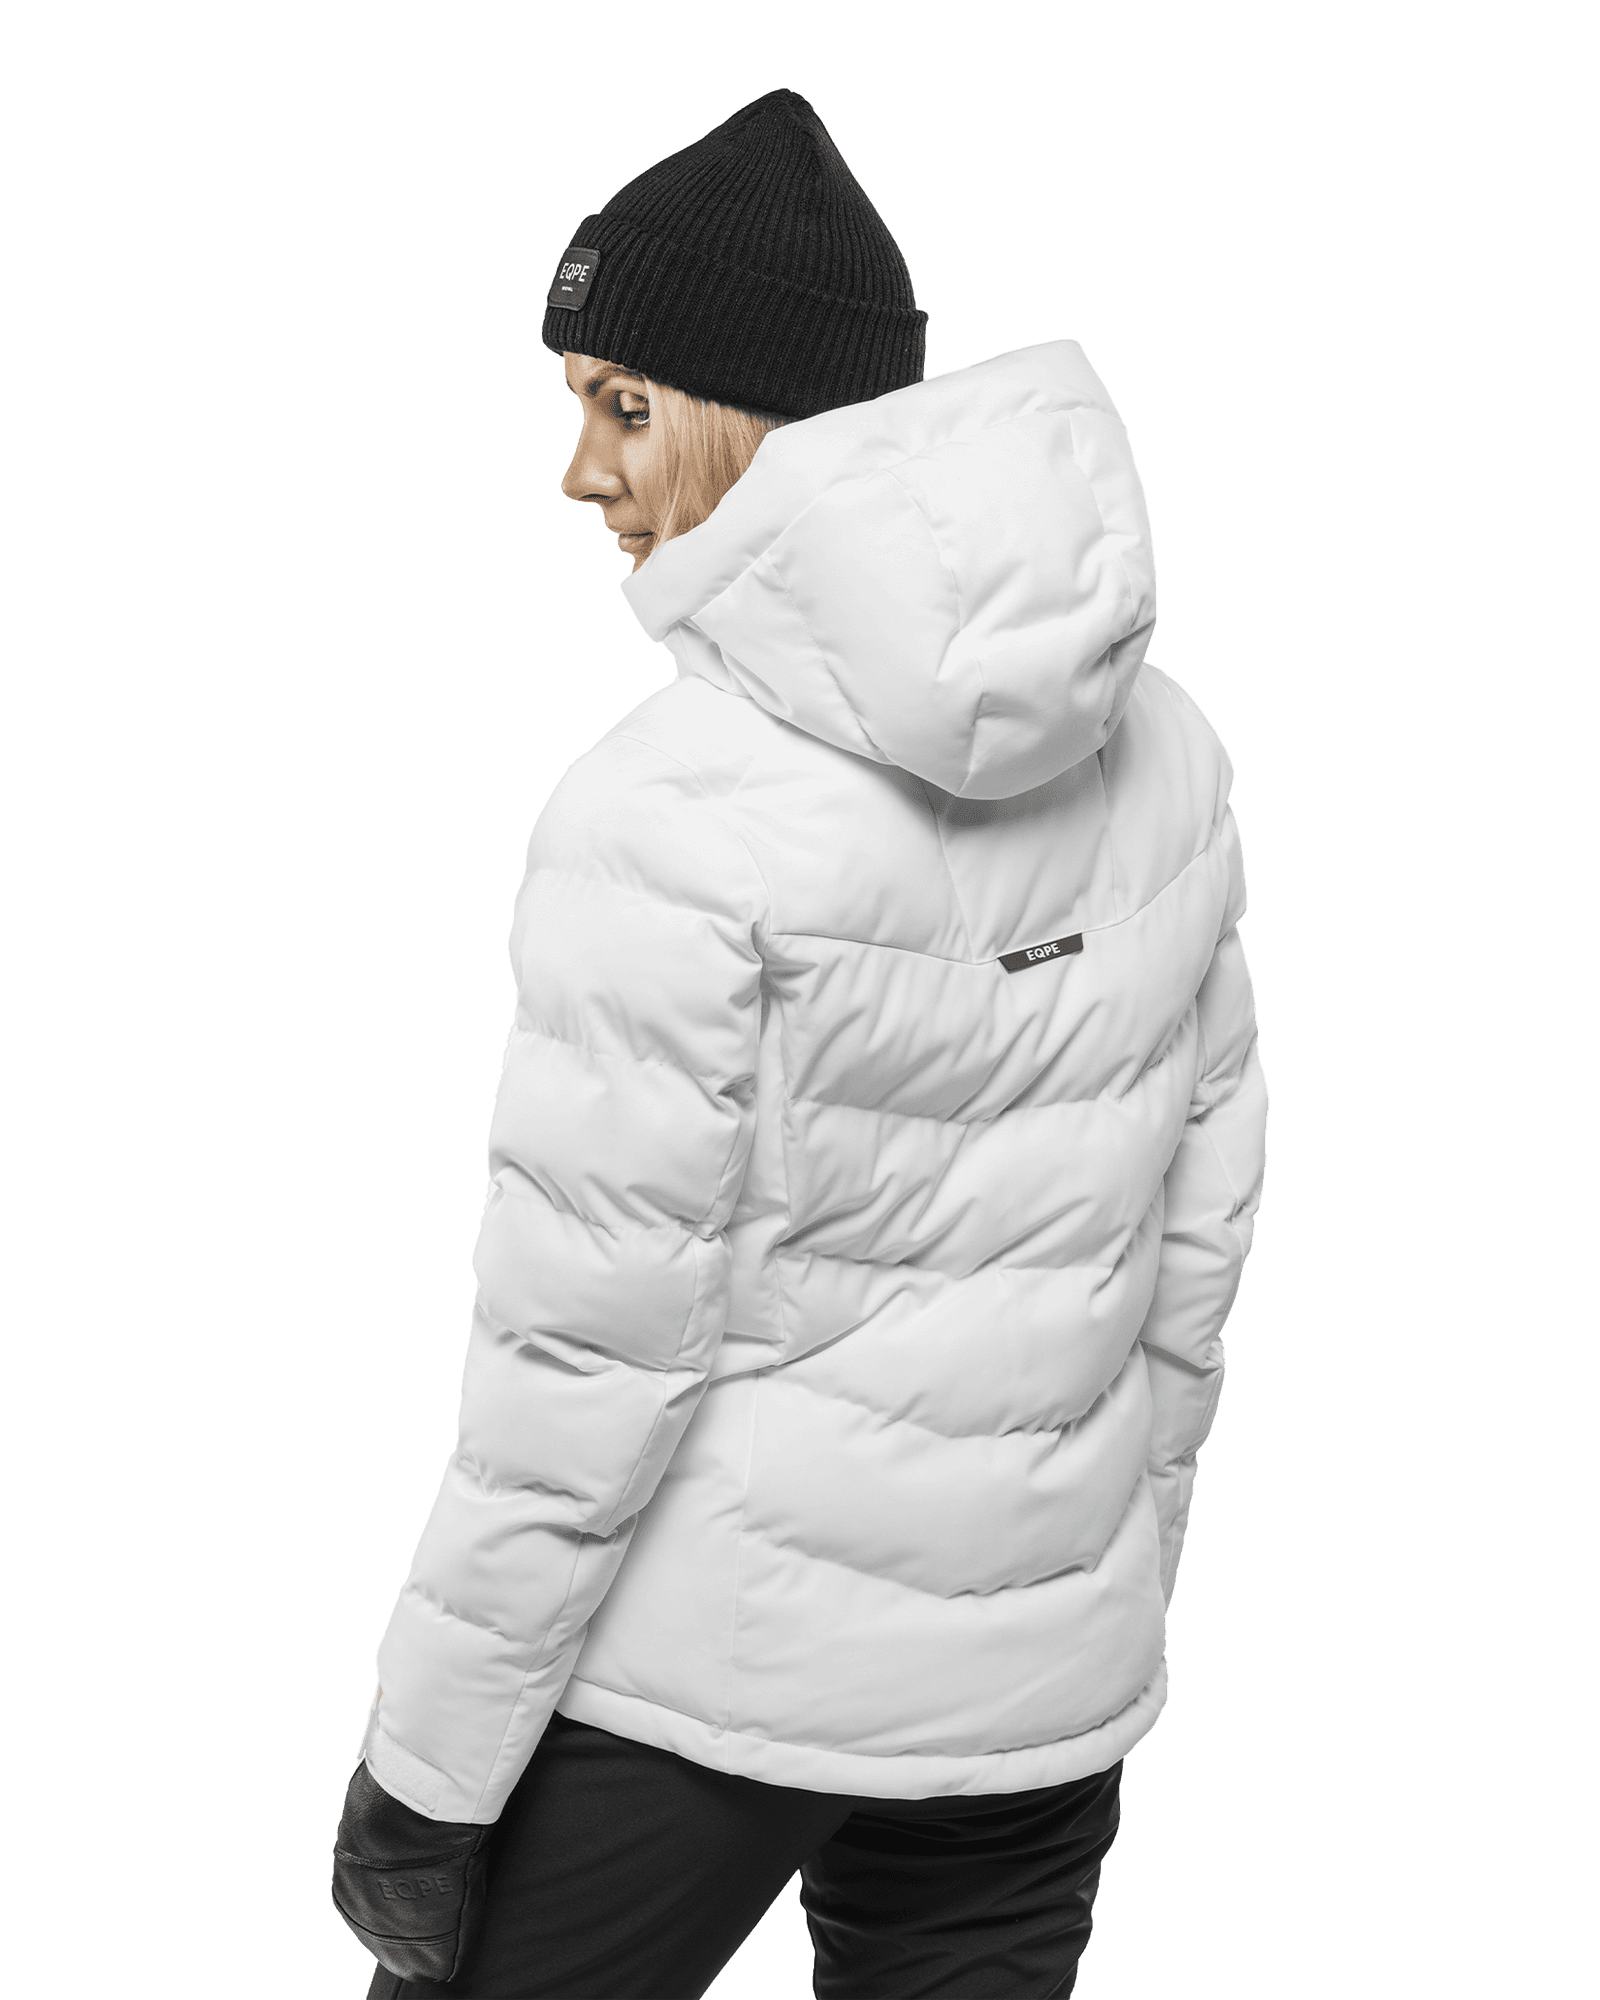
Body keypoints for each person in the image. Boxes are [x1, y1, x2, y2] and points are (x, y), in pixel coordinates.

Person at [331, 87, 1269, 2000]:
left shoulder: (663, 809)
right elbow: (1200, 1234)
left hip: (708, 1685)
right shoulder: (1165, 745)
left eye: (624, 407)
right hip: (1039, 1686)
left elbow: (585, 1356)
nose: (579, 473)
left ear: (749, 417)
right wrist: (1105, 1582)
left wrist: (424, 1775)